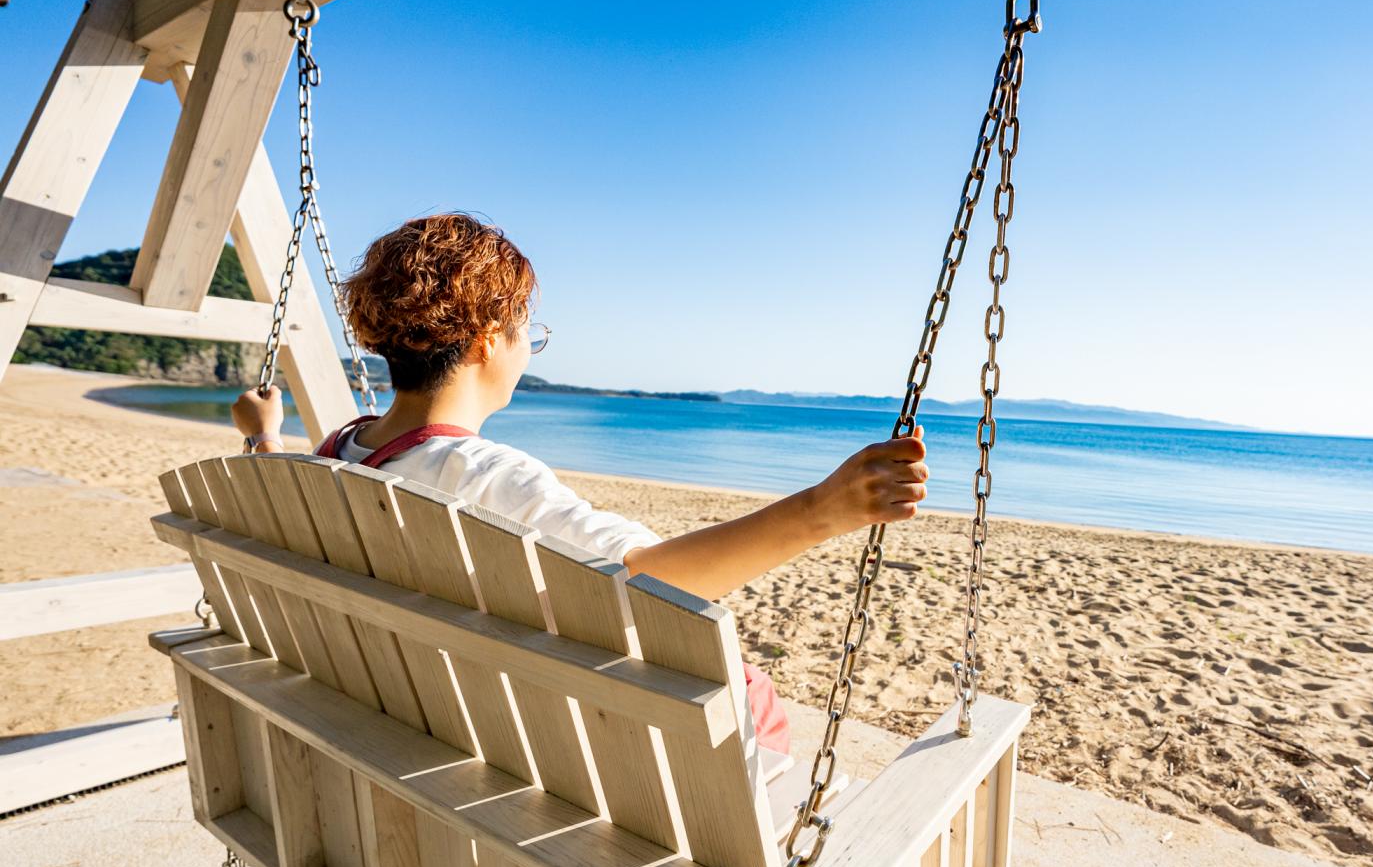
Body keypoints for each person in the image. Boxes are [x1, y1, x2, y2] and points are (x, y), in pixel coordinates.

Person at [233, 213, 928, 754]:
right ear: (485, 340)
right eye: (525, 332)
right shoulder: (487, 481)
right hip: (533, 749)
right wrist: (825, 508)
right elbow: (657, 580)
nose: (524, 350)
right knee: (753, 691)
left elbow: (268, 476)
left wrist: (263, 433)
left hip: (419, 719)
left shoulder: (334, 455)